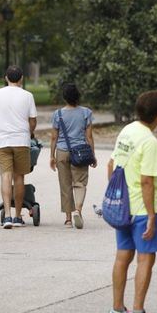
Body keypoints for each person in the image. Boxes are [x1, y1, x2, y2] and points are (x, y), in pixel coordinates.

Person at [105, 90, 157, 313]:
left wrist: (115, 196)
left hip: (123, 207)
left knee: (122, 257)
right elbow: (147, 181)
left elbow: (111, 164)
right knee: (145, 259)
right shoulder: (150, 142)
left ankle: (117, 310)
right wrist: (151, 215)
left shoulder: (127, 131)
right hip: (141, 208)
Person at [0, 65, 37, 229]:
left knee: (5, 176)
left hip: (2, 141)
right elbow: (33, 120)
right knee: (19, 177)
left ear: (6, 78)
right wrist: (29, 134)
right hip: (21, 140)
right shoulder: (28, 96)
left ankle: (7, 215)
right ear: (21, 78)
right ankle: (17, 217)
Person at [49, 83, 96, 229]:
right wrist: (93, 155)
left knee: (65, 185)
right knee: (80, 183)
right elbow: (89, 137)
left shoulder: (58, 114)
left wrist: (52, 155)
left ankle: (68, 219)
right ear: (78, 96)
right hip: (80, 152)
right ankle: (78, 210)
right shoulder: (86, 113)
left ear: (64, 97)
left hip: (62, 152)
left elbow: (53, 137)